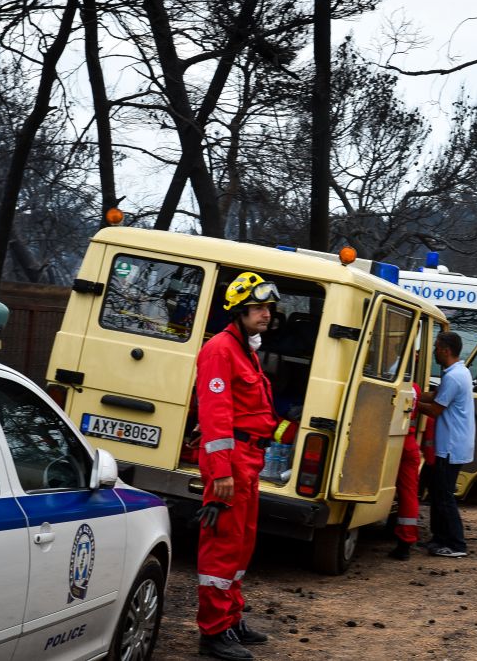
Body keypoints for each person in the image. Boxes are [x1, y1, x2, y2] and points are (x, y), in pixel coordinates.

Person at [195, 271, 281, 661]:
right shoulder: (220, 349)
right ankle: (212, 633)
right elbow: (216, 416)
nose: (266, 314)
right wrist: (222, 471)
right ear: (240, 310)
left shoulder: (244, 349)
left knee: (241, 546)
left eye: (268, 308)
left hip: (248, 461)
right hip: (231, 464)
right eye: (259, 308)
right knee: (223, 547)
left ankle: (230, 620)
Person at [416, 331, 475, 558]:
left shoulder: (453, 377)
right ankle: (440, 538)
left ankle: (457, 544)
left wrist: (411, 402)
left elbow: (434, 409)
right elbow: (436, 395)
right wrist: (416, 394)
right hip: (454, 444)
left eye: (436, 348)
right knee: (439, 493)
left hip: (451, 446)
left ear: (446, 350)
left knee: (444, 496)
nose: (434, 352)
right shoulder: (459, 372)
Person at [388, 379, 423, 560]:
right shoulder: (415, 387)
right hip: (408, 442)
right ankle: (405, 543)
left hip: (390, 439)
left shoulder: (390, 381)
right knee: (408, 493)